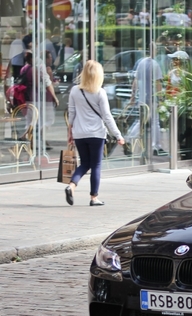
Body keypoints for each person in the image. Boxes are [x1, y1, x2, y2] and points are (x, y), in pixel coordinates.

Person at [65, 60, 125, 206]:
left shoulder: (75, 91)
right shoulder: (100, 93)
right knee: (96, 165)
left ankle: (71, 186)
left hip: (79, 133)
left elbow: (71, 113)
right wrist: (118, 135)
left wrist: (70, 131)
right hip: (96, 134)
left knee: (84, 163)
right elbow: (107, 116)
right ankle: (93, 198)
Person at [130, 55, 165, 155]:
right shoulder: (155, 64)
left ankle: (129, 139)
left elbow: (135, 81)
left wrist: (132, 96)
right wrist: (161, 99)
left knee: (140, 121)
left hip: (142, 98)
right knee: (155, 121)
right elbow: (158, 83)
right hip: (152, 97)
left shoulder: (141, 63)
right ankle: (156, 146)